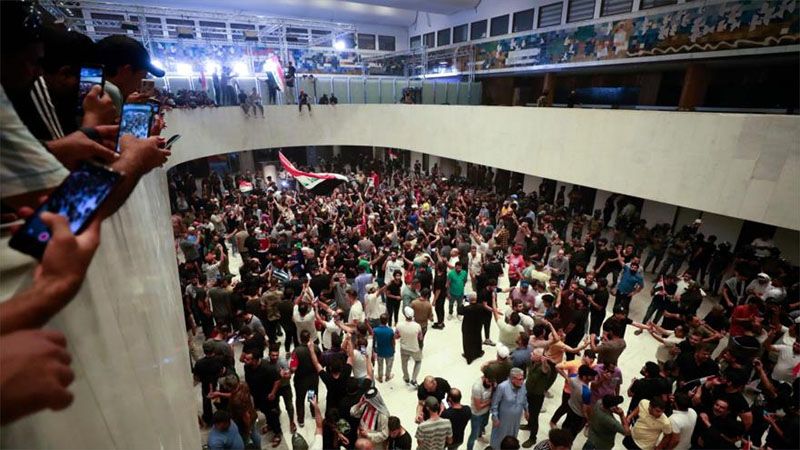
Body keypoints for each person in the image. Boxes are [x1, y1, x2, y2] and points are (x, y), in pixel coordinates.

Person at [490, 368, 529, 450]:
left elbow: (524, 398)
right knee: (500, 439)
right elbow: (494, 404)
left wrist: (526, 410)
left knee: (512, 438)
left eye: (523, 378)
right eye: (520, 379)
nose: (522, 381)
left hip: (516, 420)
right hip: (503, 421)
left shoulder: (522, 385)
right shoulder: (502, 387)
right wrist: (495, 417)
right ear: (513, 379)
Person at [556, 364, 596, 438]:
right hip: (578, 415)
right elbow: (585, 410)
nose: (593, 377)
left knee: (565, 426)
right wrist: (589, 420)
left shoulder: (572, 377)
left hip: (571, 407)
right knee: (572, 433)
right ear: (584, 377)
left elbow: (567, 377)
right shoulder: (586, 392)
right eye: (590, 376)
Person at [396, 306, 423, 386]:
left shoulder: (399, 325)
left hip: (404, 347)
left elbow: (396, 336)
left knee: (404, 363)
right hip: (414, 348)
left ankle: (406, 377)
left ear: (405, 315)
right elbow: (420, 337)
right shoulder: (417, 326)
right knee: (418, 361)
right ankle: (414, 379)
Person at [373, 313, 396, 382]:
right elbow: (393, 341)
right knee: (389, 365)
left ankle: (380, 378)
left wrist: (374, 349)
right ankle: (387, 376)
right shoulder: (390, 330)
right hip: (389, 351)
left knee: (380, 365)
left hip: (380, 351)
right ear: (387, 321)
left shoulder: (375, 330)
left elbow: (374, 341)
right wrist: (394, 349)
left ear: (380, 320)